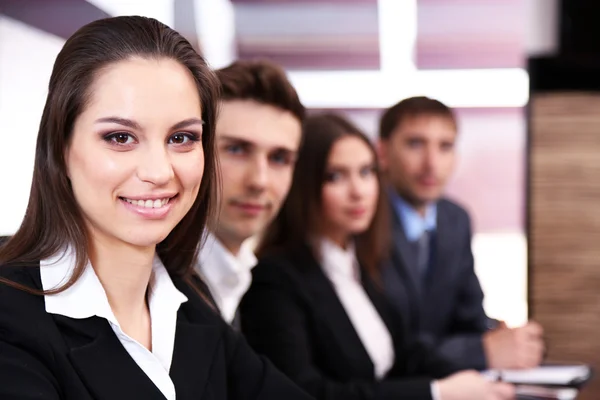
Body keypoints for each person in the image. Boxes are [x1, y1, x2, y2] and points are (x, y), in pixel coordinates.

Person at [0, 16, 313, 400]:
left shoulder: (188, 301)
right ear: (61, 148)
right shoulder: (10, 311)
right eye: (120, 137)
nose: (159, 172)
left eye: (181, 138)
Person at [240, 113, 515, 400]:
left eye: (366, 172)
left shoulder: (361, 261)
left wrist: (483, 363)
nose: (359, 191)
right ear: (302, 185)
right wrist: (437, 392)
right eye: (335, 176)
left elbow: (404, 354)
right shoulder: (275, 279)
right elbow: (306, 392)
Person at [377, 96, 544, 370]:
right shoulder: (362, 222)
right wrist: (479, 351)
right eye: (415, 144)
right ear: (382, 152)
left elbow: (469, 316)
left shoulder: (454, 220)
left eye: (445, 146)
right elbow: (385, 347)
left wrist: (502, 337)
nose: (431, 163)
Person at [195, 60, 304, 328]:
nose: (259, 181)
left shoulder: (243, 274)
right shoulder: (151, 286)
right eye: (236, 150)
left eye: (279, 158)